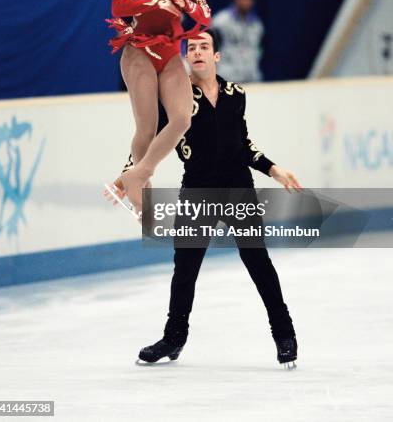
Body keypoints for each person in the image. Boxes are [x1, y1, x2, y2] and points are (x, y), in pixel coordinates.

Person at [111, 30, 302, 367]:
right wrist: (130, 173)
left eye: (204, 47)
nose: (197, 52)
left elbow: (243, 144)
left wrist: (273, 169)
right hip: (197, 189)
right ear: (185, 56)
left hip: (238, 188)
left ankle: (284, 334)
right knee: (184, 269)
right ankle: (173, 339)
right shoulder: (175, 98)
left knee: (258, 261)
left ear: (216, 56)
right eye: (191, 47)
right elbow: (147, 137)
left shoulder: (235, 94)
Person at [106, 0, 211, 215]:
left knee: (182, 118)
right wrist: (156, 2)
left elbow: (205, 15)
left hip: (168, 53)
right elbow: (118, 7)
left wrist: (183, 3)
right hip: (138, 50)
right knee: (147, 127)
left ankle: (138, 173)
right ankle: (141, 193)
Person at [212, 0, 264, 82]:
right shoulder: (220, 21)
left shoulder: (257, 25)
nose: (245, 2)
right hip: (227, 76)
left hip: (251, 77)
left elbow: (259, 49)